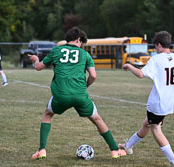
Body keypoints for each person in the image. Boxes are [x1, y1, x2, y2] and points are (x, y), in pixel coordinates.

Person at [28, 27, 127, 160]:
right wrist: (85, 86)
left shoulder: (56, 50)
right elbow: (93, 75)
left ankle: (41, 150)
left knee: (47, 114)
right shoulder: (85, 54)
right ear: (78, 40)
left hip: (61, 95)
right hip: (80, 95)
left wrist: (35, 59)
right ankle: (115, 150)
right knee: (97, 119)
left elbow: (38, 67)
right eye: (82, 43)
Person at [121, 31, 174, 167]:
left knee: (155, 129)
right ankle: (128, 147)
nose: (155, 50)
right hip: (168, 103)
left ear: (158, 44)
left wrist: (128, 65)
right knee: (147, 124)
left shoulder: (156, 59)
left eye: (155, 47)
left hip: (157, 103)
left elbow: (140, 74)